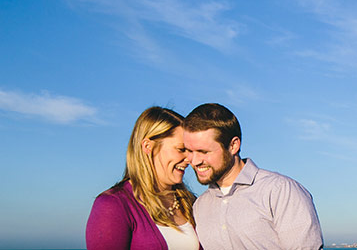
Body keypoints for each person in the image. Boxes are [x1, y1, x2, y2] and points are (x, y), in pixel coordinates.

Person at [183, 103, 323, 250]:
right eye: (189, 151)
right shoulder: (200, 206)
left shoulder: (279, 191)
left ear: (233, 146)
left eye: (203, 151)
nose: (194, 161)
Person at [86, 106, 200, 250]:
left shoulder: (192, 204)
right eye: (181, 149)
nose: (189, 159)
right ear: (148, 146)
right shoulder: (113, 205)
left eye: (190, 151)